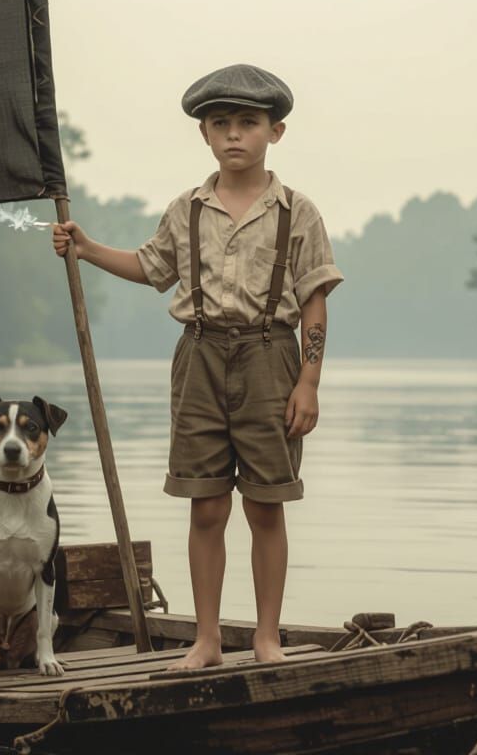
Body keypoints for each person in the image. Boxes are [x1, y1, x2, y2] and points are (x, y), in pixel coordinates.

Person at [51, 64, 344, 669]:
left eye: (248, 123)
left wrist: (308, 382)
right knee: (206, 504)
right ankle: (206, 639)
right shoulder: (186, 208)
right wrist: (85, 247)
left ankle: (267, 636)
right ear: (205, 135)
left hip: (271, 356)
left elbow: (314, 298)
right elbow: (150, 268)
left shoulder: (298, 211)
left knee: (266, 503)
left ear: (276, 131)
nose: (234, 134)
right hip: (200, 356)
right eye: (220, 124)